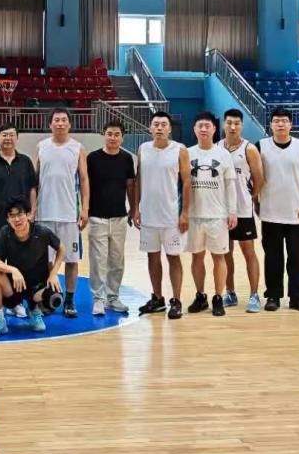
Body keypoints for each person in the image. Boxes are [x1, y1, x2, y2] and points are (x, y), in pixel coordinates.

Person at [255, 107, 299, 312]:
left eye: (284, 121)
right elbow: (254, 176)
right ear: (271, 125)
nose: (280, 124)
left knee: (297, 258)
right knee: (272, 257)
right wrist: (256, 202)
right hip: (270, 212)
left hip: (296, 213)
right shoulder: (261, 146)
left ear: (291, 124)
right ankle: (273, 296)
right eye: (276, 121)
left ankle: (297, 298)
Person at [0, 124, 38, 320]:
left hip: (20, 223)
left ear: (17, 138)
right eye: (4, 135)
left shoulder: (25, 162)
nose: (8, 138)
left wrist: (32, 212)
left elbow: (32, 189)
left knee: (17, 264)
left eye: (12, 135)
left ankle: (15, 303)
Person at [134, 112, 191, 319]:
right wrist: (135, 207)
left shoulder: (180, 150)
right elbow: (139, 179)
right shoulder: (143, 149)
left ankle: (176, 300)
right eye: (156, 124)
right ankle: (158, 298)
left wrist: (185, 213)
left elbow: (187, 182)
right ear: (150, 128)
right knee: (152, 257)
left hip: (171, 217)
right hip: (149, 216)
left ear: (169, 129)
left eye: (163, 124)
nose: (159, 128)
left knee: (173, 258)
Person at [34, 109, 89, 318]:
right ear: (50, 124)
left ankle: (69, 300)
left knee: (71, 259)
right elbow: (35, 181)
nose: (60, 123)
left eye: (63, 120)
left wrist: (85, 208)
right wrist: (32, 209)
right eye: (56, 120)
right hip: (44, 213)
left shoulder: (77, 148)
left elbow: (84, 179)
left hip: (68, 214)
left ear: (69, 124)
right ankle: (49, 297)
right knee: (46, 261)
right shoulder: (41, 146)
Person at [0, 199, 66, 338]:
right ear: (8, 219)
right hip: (15, 286)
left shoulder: (42, 232)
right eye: (12, 215)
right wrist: (13, 270)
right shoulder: (6, 232)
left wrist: (53, 273)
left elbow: (62, 248)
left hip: (37, 286)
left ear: (28, 215)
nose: (17, 219)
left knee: (54, 295)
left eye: (20, 214)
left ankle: (34, 311)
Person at [185, 112, 238, 317]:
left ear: (214, 129)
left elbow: (230, 185)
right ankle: (201, 296)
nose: (204, 129)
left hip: (218, 216)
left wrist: (232, 211)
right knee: (197, 257)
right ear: (194, 129)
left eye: (207, 126)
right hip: (194, 216)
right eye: (200, 126)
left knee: (219, 257)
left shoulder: (223, 154)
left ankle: (218, 297)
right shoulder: (187, 153)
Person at [86, 121, 137, 315]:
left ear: (122, 137)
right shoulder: (93, 158)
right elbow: (85, 186)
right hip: (97, 217)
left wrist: (134, 209)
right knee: (98, 261)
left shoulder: (126, 158)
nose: (113, 137)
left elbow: (131, 186)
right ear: (104, 135)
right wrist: (84, 210)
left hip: (119, 218)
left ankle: (113, 297)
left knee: (117, 261)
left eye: (117, 134)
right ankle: (98, 299)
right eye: (109, 133)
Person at [220, 109, 262, 313]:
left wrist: (251, 197)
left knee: (248, 252)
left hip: (243, 210)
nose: (233, 127)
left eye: (236, 123)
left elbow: (259, 179)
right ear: (223, 124)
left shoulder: (249, 149)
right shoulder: (216, 147)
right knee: (225, 253)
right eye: (229, 123)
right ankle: (230, 292)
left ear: (242, 125)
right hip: (221, 211)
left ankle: (254, 294)